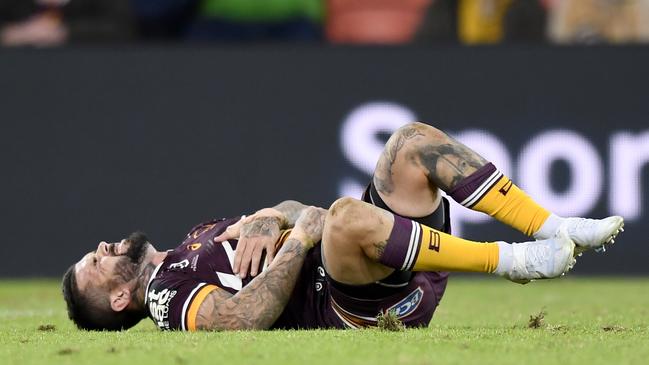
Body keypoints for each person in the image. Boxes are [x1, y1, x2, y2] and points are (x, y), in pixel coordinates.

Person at [62, 122, 624, 331]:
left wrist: (270, 215)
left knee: (412, 143)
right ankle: (518, 262)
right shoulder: (164, 296)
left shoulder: (193, 239)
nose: (101, 248)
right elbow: (239, 320)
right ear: (117, 298)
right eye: (96, 263)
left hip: (385, 264)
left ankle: (553, 226)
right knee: (342, 215)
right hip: (350, 303)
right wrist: (303, 236)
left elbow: (287, 209)